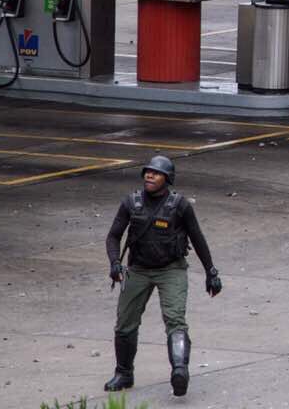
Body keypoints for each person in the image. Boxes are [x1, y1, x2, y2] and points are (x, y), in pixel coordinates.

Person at [104, 156, 222, 396]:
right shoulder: (131, 202)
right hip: (138, 269)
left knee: (175, 320)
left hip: (172, 269)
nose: (150, 176)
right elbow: (113, 236)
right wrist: (115, 262)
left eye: (156, 173)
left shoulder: (180, 206)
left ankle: (180, 370)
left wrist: (211, 271)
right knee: (125, 324)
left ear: (167, 179)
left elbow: (198, 239)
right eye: (147, 172)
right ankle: (124, 373)